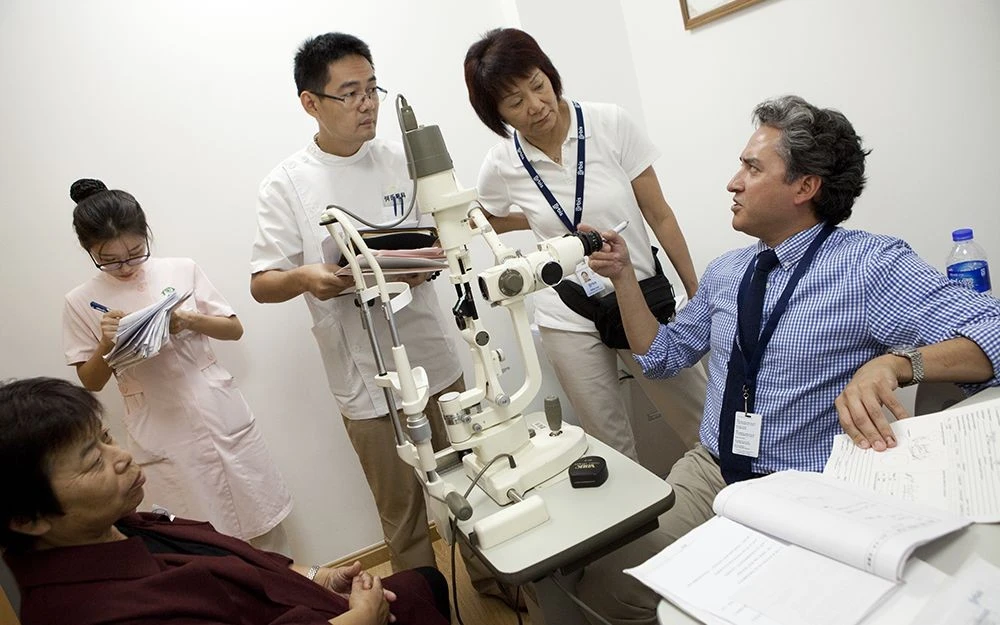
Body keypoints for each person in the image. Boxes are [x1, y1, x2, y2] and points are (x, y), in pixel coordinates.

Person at [575, 95, 1000, 623]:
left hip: (808, 487)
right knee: (608, 586)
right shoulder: (727, 271)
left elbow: (993, 329)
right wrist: (622, 277)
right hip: (713, 470)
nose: (732, 183)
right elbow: (661, 358)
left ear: (805, 187)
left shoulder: (868, 265)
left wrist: (893, 364)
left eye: (752, 168)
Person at [250, 33, 467, 577]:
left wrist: (430, 259)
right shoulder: (285, 184)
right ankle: (424, 604)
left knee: (471, 482)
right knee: (403, 513)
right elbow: (262, 283)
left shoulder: (402, 160)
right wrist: (306, 277)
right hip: (365, 376)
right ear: (311, 102)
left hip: (432, 354)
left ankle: (495, 583)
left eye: (372, 89)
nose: (367, 104)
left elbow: (447, 229)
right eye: (350, 93)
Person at [0, 377, 450, 625]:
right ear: (27, 518)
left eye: (107, 438)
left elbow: (231, 561)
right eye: (92, 461)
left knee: (425, 582)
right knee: (420, 588)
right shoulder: (91, 613)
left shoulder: (125, 525)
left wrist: (319, 576)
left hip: (309, 602)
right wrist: (359, 622)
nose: (121, 457)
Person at [464, 28, 707, 468]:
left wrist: (696, 291)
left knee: (702, 424)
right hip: (567, 311)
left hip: (638, 297)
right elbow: (485, 216)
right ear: (495, 114)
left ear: (549, 74)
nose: (536, 105)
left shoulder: (608, 123)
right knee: (610, 446)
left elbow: (660, 214)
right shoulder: (502, 162)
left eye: (538, 85)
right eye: (515, 102)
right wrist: (537, 221)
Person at [63, 179, 292, 550]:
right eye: (110, 260)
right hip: (160, 429)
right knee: (197, 539)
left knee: (262, 526)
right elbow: (90, 381)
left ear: (146, 234)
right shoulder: (80, 301)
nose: (125, 266)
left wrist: (188, 320)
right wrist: (107, 343)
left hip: (217, 411)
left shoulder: (181, 269)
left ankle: (294, 583)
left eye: (135, 252)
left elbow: (233, 329)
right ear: (88, 249)